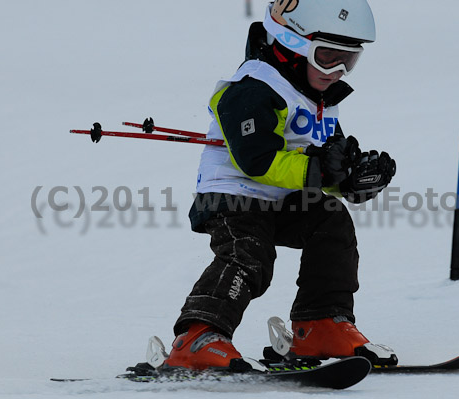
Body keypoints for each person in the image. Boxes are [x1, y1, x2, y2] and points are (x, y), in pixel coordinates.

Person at [163, 0, 397, 371]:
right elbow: (257, 160)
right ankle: (198, 335)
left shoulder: (318, 97)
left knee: (331, 222)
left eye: (348, 60)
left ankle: (319, 324)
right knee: (249, 252)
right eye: (326, 57)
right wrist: (321, 171)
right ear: (291, 42)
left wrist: (350, 181)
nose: (337, 70)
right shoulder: (254, 87)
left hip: (283, 197)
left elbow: (318, 167)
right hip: (235, 195)